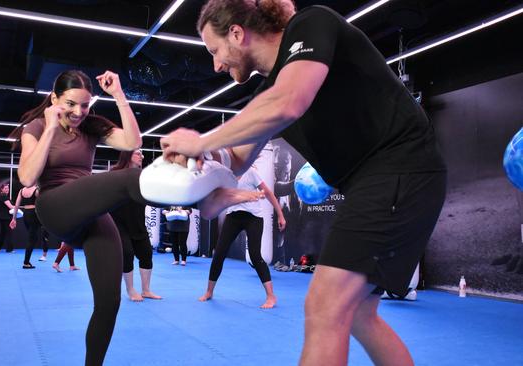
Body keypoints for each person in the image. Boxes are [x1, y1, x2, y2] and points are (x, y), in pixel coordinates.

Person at [161, 1, 447, 365]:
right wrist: (203, 170)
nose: (216, 65)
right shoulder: (265, 93)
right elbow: (236, 157)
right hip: (376, 180)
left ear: (237, 33)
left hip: (401, 167)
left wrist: (202, 141)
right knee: (358, 314)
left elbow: (290, 101)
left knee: (324, 306)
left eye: (215, 50)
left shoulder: (311, 24)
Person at [12, 69, 260, 366]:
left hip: (89, 210)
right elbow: (27, 177)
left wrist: (118, 94)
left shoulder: (90, 126)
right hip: (55, 206)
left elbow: (132, 142)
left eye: (85, 105)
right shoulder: (36, 126)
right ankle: (205, 199)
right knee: (129, 179)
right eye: (70, 104)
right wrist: (51, 127)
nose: (78, 112)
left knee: (109, 303)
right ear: (54, 99)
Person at [198, 165, 286, 309]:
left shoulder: (250, 172)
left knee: (255, 255)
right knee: (219, 253)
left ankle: (271, 296)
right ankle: (209, 292)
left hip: (253, 218)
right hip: (233, 217)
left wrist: (280, 215)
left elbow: (268, 192)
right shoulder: (225, 176)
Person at [110, 149, 162, 302]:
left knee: (146, 253)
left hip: (138, 221)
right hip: (119, 222)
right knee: (127, 253)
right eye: (138, 153)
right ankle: (130, 289)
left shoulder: (143, 176)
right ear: (128, 155)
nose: (142, 156)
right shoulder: (115, 174)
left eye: (142, 154)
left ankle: (146, 290)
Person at [10, 185, 49, 269]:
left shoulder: (22, 190)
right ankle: (26, 262)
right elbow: (42, 203)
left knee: (33, 238)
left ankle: (28, 261)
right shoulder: (36, 190)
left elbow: (16, 205)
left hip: (26, 215)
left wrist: (14, 219)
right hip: (34, 215)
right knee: (32, 239)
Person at [0, 183, 15, 253]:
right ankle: (9, 249)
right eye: (5, 188)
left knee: (3, 232)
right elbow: (10, 206)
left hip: (3, 217)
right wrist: (17, 207)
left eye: (8, 188)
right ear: (2, 189)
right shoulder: (3, 196)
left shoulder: (4, 196)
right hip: (5, 217)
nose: (7, 190)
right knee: (9, 232)